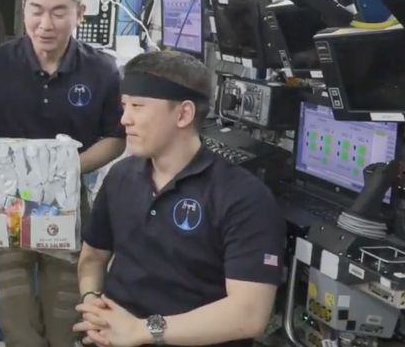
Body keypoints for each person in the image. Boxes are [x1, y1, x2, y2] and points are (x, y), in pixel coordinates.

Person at [0, 0, 127, 347]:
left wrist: (62, 170)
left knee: (66, 310)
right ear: (25, 10)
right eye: (36, 10)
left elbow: (116, 138)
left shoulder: (102, 70)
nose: (45, 23)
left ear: (79, 13)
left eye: (58, 12)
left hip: (67, 200)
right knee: (16, 310)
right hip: (5, 200)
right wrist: (3, 160)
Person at [73, 50, 286, 347]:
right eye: (124, 106)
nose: (125, 119)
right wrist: (93, 301)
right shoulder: (121, 176)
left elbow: (249, 314)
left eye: (138, 106)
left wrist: (142, 330)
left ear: (184, 114)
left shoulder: (243, 198)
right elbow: (92, 258)